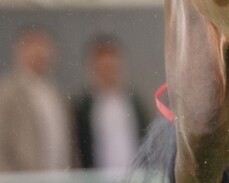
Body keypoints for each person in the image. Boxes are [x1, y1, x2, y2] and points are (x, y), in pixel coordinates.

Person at [0, 27, 75, 171]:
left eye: (43, 46)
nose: (39, 53)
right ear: (20, 50)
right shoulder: (7, 93)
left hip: (60, 180)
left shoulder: (56, 93)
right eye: (33, 46)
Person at [74, 36, 146, 170]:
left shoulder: (134, 103)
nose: (107, 73)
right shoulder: (83, 108)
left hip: (133, 176)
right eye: (102, 68)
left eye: (111, 67)